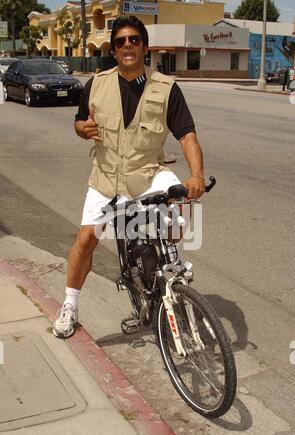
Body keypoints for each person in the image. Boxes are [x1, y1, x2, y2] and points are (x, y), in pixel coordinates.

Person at [53, 15, 205, 338]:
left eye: (134, 40)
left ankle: (172, 265)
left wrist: (197, 175)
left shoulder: (166, 89)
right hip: (106, 178)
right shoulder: (95, 85)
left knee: (181, 202)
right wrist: (82, 129)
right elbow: (79, 123)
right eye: (120, 41)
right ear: (113, 50)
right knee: (85, 240)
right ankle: (69, 304)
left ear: (145, 46)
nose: (127, 46)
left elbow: (187, 136)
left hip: (146, 172)